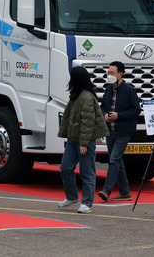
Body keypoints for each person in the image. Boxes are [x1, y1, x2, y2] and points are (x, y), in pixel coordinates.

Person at [57, 66, 109, 214]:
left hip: (83, 141)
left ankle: (87, 203)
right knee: (65, 168)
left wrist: (84, 143)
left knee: (87, 172)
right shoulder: (77, 95)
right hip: (74, 140)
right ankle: (72, 198)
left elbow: (87, 122)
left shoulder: (85, 97)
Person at [97, 61, 141, 202]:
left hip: (123, 131)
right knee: (117, 161)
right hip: (110, 130)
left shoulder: (129, 90)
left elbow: (136, 110)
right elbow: (103, 106)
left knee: (114, 159)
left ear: (120, 74)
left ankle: (106, 190)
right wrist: (105, 115)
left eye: (111, 73)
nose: (109, 75)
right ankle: (125, 192)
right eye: (108, 73)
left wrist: (119, 116)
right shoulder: (108, 89)